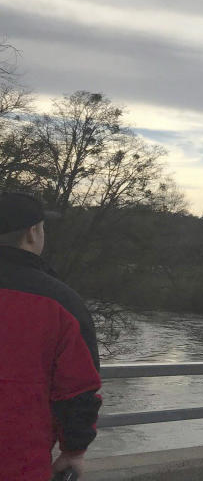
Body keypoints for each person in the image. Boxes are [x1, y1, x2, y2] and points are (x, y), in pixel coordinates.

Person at [0, 191, 101, 480]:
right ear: (32, 234)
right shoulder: (61, 303)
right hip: (18, 465)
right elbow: (79, 390)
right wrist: (74, 452)